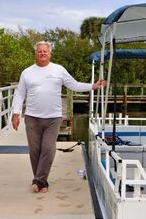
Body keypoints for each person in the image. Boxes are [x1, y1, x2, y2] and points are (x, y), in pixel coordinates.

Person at [12, 41, 105, 193]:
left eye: (45, 51)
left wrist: (92, 86)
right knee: (35, 151)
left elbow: (73, 85)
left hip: (53, 117)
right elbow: (20, 93)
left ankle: (38, 181)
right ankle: (42, 182)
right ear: (35, 54)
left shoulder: (58, 70)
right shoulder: (27, 72)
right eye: (39, 51)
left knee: (48, 149)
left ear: (50, 54)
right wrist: (16, 114)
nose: (42, 53)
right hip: (32, 117)